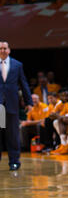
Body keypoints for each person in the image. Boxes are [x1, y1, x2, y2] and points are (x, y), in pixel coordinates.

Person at [0, 41, 33, 170]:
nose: (2, 50)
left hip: (11, 104)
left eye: (4, 48)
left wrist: (29, 102)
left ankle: (14, 161)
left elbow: (24, 84)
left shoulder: (17, 65)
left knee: (12, 135)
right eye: (0, 48)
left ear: (9, 50)